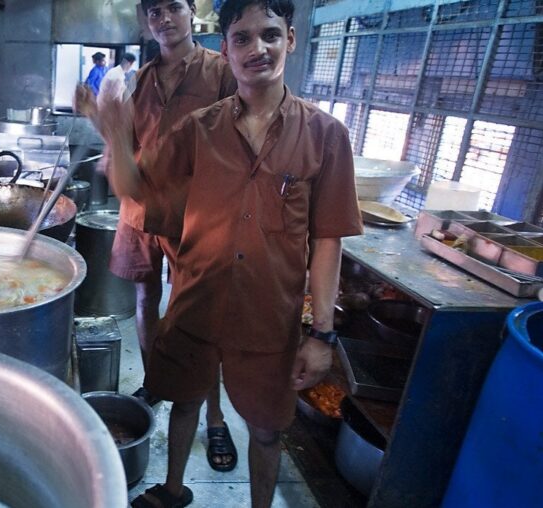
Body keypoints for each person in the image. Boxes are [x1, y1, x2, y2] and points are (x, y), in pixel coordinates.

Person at [92, 0, 363, 506]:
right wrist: (113, 131)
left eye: (270, 35)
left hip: (269, 315)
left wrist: (322, 335)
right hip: (197, 300)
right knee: (184, 402)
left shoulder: (325, 136)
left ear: (291, 39)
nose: (257, 48)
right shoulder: (200, 129)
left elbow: (329, 239)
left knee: (266, 429)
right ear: (227, 48)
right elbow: (134, 186)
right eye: (242, 38)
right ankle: (173, 489)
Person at [75, 0, 241, 478]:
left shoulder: (221, 72)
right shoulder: (138, 81)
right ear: (145, 21)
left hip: (197, 212)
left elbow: (236, 142)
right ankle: (156, 381)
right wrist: (96, 116)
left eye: (173, 7)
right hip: (140, 208)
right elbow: (123, 143)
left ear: (192, 12)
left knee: (200, 316)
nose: (164, 18)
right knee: (145, 299)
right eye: (153, 12)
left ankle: (214, 417)